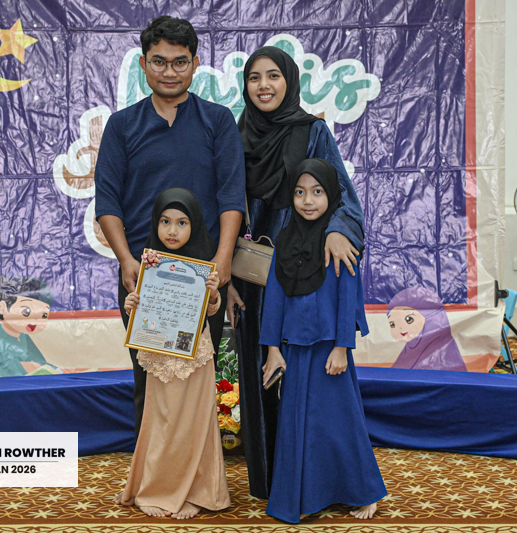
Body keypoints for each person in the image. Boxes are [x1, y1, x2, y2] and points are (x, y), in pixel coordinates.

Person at [93, 16, 245, 439]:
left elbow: (233, 196)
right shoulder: (122, 125)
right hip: (145, 271)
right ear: (144, 64)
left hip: (202, 276)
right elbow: (107, 202)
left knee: (197, 379)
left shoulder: (217, 121)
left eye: (180, 62)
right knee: (151, 378)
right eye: (159, 62)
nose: (169, 72)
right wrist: (126, 261)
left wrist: (222, 260)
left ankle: (195, 469)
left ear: (194, 64)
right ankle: (153, 469)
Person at [226, 46, 366, 497]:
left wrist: (339, 231)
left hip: (303, 278)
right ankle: (274, 482)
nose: (263, 85)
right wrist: (226, 278)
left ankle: (320, 482)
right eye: (254, 78)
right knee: (262, 376)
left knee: (313, 384)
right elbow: (224, 205)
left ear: (289, 80)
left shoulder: (312, 131)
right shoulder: (236, 134)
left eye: (273, 75)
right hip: (253, 278)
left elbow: (342, 193)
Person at [260, 159, 386, 523]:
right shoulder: (285, 241)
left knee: (341, 424)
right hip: (294, 350)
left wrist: (342, 347)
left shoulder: (341, 243)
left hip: (330, 352)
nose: (307, 201)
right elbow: (274, 300)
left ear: (331, 194)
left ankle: (365, 492)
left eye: (317, 192)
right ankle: (303, 497)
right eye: (300, 192)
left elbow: (349, 297)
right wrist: (272, 350)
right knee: (298, 427)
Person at [117, 188, 230, 519]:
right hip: (159, 357)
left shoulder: (204, 268)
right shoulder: (150, 265)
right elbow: (144, 311)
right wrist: (132, 304)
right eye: (165, 221)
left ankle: (197, 493)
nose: (172, 230)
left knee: (194, 425)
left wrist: (213, 295)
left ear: (194, 225)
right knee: (160, 423)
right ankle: (155, 488)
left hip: (194, 358)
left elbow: (212, 311)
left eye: (182, 223)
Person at [0, 277, 54, 378]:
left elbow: (38, 361)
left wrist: (53, 369)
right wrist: (21, 366)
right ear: (2, 307)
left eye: (43, 315)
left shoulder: (23, 336)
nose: (34, 320)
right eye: (26, 312)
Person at [387, 286, 468, 371]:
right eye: (392, 324)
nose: (400, 327)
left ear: (429, 318)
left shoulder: (444, 354)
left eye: (409, 319)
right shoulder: (409, 351)